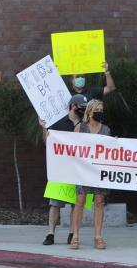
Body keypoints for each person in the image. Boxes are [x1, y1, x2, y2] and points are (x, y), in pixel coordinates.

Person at [44, 99, 111, 250]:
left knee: (99, 201)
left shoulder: (106, 129)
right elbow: (70, 147)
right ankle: (75, 236)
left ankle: (98, 236)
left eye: (102, 109)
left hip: (98, 172)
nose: (100, 112)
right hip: (82, 171)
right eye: (97, 110)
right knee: (79, 201)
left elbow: (109, 150)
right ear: (90, 111)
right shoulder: (80, 127)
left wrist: (115, 143)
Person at [40, 95, 87, 246]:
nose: (83, 109)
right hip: (59, 169)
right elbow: (47, 143)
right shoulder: (58, 123)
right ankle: (50, 234)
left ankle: (72, 233)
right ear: (73, 106)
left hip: (78, 170)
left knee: (76, 204)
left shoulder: (85, 125)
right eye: (81, 106)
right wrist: (43, 128)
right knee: (55, 203)